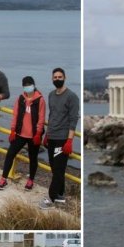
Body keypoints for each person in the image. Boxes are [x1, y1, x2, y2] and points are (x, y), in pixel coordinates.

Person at [39, 68, 79, 209]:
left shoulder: (72, 97)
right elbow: (52, 116)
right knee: (54, 168)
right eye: (55, 77)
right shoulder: (51, 95)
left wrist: (69, 140)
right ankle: (60, 194)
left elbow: (73, 120)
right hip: (52, 136)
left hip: (63, 139)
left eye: (59, 77)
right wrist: (47, 134)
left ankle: (50, 198)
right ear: (52, 79)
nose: (57, 79)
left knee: (58, 169)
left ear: (65, 77)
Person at [0, 76, 45, 191]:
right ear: (23, 86)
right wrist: (13, 130)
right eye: (25, 85)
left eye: (30, 84)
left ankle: (31, 180)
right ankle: (3, 178)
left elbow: (41, 118)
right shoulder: (20, 98)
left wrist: (38, 134)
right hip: (20, 134)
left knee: (33, 158)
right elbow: (15, 115)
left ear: (34, 85)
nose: (28, 86)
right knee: (10, 154)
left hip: (33, 135)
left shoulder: (40, 100)